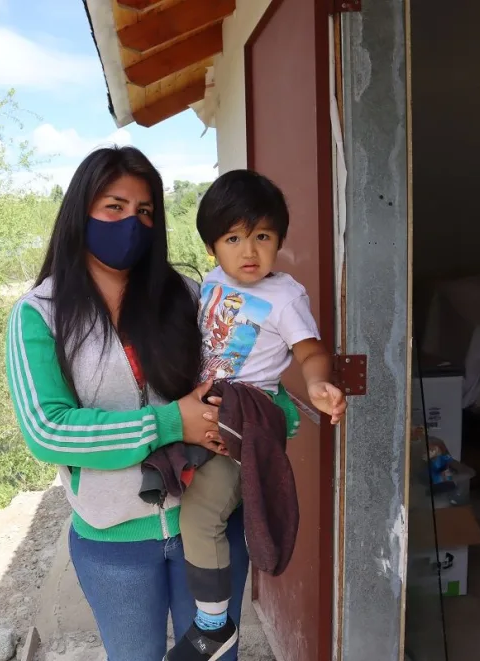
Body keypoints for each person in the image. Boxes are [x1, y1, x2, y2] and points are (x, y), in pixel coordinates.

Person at [5, 146, 250, 661]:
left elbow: (239, 380)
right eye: (114, 207)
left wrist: (281, 408)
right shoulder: (39, 315)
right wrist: (170, 422)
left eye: (144, 211)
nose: (131, 223)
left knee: (213, 657)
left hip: (205, 526)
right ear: (80, 212)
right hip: (113, 543)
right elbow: (48, 430)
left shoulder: (187, 295)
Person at [165, 169, 348, 661]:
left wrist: (317, 385)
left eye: (262, 236)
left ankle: (212, 625)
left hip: (240, 425)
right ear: (212, 247)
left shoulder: (285, 296)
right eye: (234, 237)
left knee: (200, 516)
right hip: (203, 410)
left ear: (279, 240)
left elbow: (310, 352)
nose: (250, 251)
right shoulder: (212, 283)